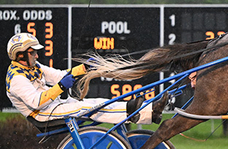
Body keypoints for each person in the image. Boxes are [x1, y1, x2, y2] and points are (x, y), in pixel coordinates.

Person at [5, 33, 166, 128]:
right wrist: (61, 87)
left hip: (54, 106)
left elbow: (60, 75)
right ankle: (136, 112)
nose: (36, 56)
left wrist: (84, 68)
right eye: (33, 53)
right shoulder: (17, 79)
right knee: (89, 107)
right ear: (21, 55)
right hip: (43, 114)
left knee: (98, 101)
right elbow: (37, 102)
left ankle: (149, 112)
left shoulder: (34, 67)